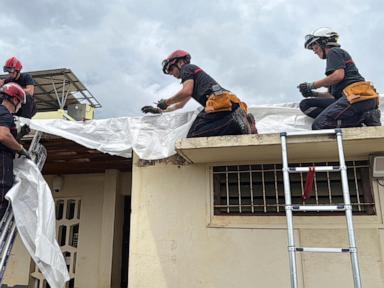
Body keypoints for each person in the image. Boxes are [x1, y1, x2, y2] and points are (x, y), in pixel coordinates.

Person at [141, 50, 257, 137]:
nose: (171, 73)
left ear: (180, 63)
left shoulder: (186, 69)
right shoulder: (192, 78)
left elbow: (186, 92)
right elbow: (180, 104)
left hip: (219, 104)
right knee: (227, 132)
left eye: (171, 68)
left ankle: (236, 122)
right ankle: (244, 123)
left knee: (194, 134)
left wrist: (165, 102)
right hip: (229, 104)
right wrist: (162, 111)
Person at [298, 28, 381, 130]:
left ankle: (363, 117)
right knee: (306, 104)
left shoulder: (333, 52)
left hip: (357, 97)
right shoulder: (335, 62)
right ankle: (362, 118)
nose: (314, 51)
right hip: (355, 99)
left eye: (315, 47)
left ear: (324, 42)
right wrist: (313, 94)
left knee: (319, 125)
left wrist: (311, 85)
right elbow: (332, 96)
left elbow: (338, 76)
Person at [0, 83, 31, 219]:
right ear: (15, 99)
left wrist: (19, 135)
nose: (20, 107)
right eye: (20, 103)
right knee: (2, 193)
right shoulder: (5, 114)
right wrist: (21, 149)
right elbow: (3, 136)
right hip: (2, 158)